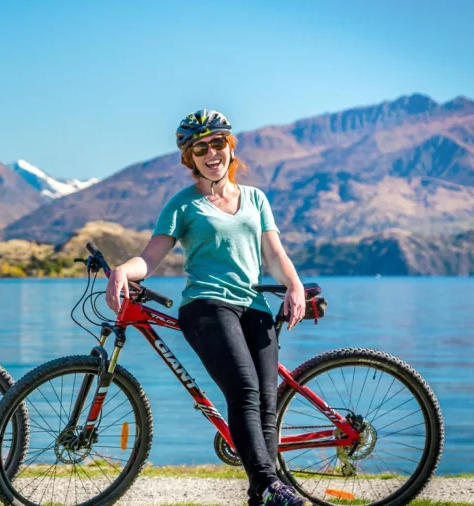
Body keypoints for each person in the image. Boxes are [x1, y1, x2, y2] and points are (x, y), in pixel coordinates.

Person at [104, 109, 311, 506]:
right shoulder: (182, 205)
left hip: (254, 305)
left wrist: (295, 285)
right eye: (201, 147)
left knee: (269, 401)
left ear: (230, 147)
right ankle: (269, 483)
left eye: (218, 143)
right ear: (190, 158)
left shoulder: (256, 199)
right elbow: (149, 258)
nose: (211, 152)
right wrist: (121, 271)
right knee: (245, 392)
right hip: (207, 306)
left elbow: (274, 255)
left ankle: (263, 494)